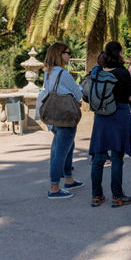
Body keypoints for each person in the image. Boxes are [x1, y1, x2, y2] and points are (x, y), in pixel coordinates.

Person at [88, 41, 131, 208]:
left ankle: (96, 195)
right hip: (119, 115)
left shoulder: (98, 71)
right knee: (117, 157)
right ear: (119, 53)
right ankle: (117, 196)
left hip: (101, 117)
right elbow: (130, 97)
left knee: (98, 157)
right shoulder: (122, 73)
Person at [43, 42, 84, 199]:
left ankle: (69, 179)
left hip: (53, 117)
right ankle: (54, 187)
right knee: (60, 152)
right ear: (60, 54)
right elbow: (77, 94)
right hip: (65, 117)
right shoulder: (63, 73)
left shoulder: (48, 72)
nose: (69, 55)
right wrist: (80, 90)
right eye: (67, 52)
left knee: (66, 147)